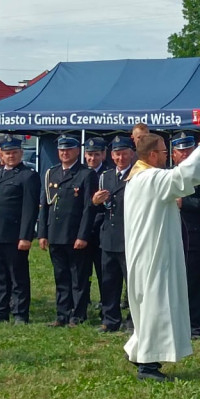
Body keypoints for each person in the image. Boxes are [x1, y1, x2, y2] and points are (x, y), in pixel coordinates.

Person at [123, 129, 200, 381]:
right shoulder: (150, 178)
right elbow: (183, 176)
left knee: (149, 305)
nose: (167, 156)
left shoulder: (138, 177)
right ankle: (148, 364)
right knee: (156, 305)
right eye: (165, 152)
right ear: (153, 155)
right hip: (153, 253)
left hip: (149, 249)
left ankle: (137, 350)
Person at [0, 135, 39, 324]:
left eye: (14, 152)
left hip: (13, 235)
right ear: (1, 154)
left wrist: (26, 236)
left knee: (17, 276)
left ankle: (20, 313)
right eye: (7, 153)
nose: (11, 156)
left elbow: (30, 208)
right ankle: (0, 312)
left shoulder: (28, 176)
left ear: (21, 153)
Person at [37, 135, 95, 327]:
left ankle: (77, 315)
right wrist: (43, 233)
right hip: (56, 234)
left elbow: (88, 207)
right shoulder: (51, 173)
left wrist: (82, 235)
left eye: (68, 149)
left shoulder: (86, 174)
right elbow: (45, 206)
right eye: (61, 150)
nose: (64, 153)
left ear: (77, 151)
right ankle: (62, 314)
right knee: (61, 276)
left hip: (75, 235)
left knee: (78, 277)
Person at [173, 132, 200, 340]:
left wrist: (186, 203)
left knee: (193, 283)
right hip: (171, 236)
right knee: (171, 285)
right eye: (180, 151)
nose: (184, 155)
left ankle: (193, 326)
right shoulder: (167, 175)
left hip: (193, 236)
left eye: (188, 151)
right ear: (173, 155)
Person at [91, 136, 135, 333]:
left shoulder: (136, 175)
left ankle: (133, 321)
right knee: (109, 282)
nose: (120, 157)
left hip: (130, 235)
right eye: (117, 154)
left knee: (132, 284)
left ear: (132, 153)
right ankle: (110, 320)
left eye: (124, 153)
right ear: (111, 155)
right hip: (109, 236)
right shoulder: (106, 176)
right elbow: (100, 208)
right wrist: (95, 201)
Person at [81, 136, 109, 322]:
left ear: (104, 155)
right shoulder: (80, 173)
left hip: (102, 230)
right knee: (82, 273)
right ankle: (81, 308)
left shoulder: (108, 174)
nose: (92, 159)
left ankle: (106, 309)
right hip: (83, 231)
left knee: (104, 274)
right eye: (89, 155)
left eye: (96, 155)